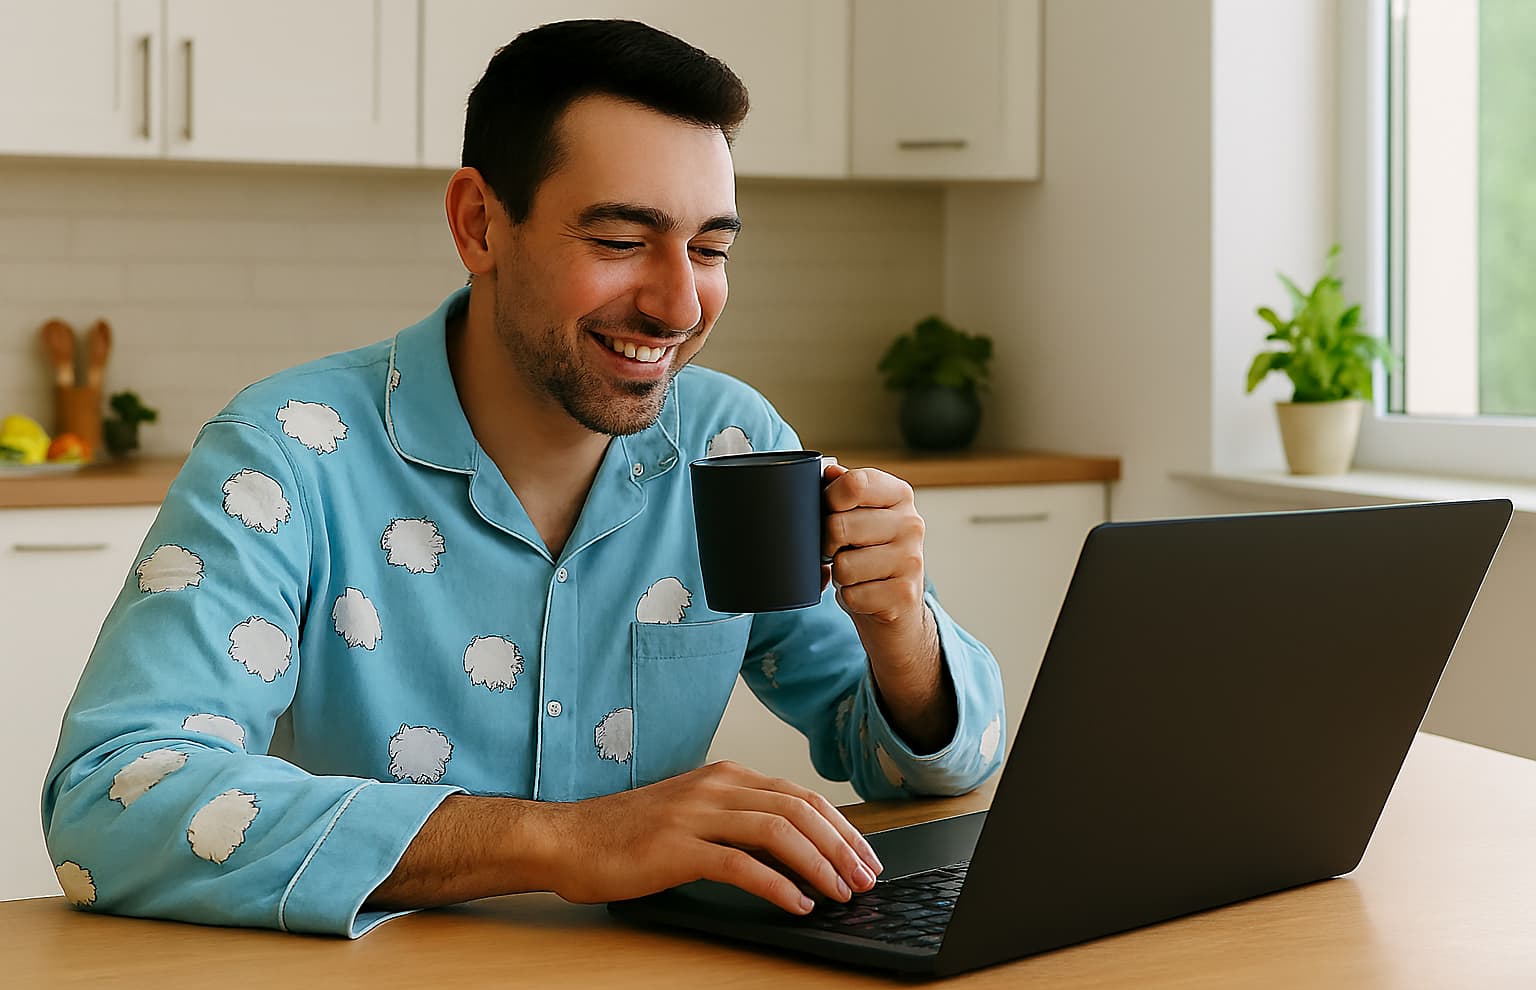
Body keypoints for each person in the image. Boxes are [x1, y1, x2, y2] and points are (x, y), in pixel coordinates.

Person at [42, 19, 1005, 937]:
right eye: (622, 241)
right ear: (478, 224)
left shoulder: (732, 443)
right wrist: (560, 842)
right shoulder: (288, 453)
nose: (679, 302)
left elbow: (918, 767)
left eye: (710, 248)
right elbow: (114, 797)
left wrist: (900, 630)